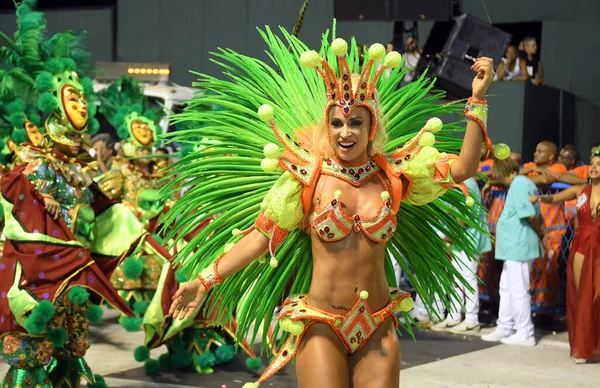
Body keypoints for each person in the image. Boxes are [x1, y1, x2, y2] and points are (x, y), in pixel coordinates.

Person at [166, 24, 502, 387]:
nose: (346, 132)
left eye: (356, 122)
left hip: (377, 323)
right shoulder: (307, 180)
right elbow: (261, 237)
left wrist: (478, 99)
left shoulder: (393, 177)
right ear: (327, 126)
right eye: (338, 122)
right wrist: (205, 280)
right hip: (322, 324)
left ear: (371, 125)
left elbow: (464, 168)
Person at [0, 2, 134, 386]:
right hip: (40, 274)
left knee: (71, 347)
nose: (80, 105)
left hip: (75, 271)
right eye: (71, 99)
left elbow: (94, 212)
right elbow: (25, 214)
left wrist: (107, 206)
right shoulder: (35, 162)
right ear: (54, 106)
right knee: (33, 349)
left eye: (81, 99)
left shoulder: (81, 162)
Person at [531, 152, 600, 363]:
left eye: (599, 164)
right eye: (593, 164)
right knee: (582, 295)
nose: (594, 167)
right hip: (581, 245)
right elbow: (554, 198)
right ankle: (583, 347)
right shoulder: (581, 190)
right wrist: (540, 197)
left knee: (597, 295)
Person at [482, 158, 544, 346]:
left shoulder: (517, 184)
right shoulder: (524, 182)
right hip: (513, 246)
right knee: (507, 288)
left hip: (519, 245)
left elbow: (530, 215)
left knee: (518, 289)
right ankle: (505, 326)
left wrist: (541, 233)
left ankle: (525, 332)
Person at [432, 177, 492, 333]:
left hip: (468, 241)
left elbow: (463, 220)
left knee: (468, 279)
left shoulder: (467, 184)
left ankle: (472, 319)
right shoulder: (461, 182)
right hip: (460, 240)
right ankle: (454, 316)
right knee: (457, 279)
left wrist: (446, 236)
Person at [521, 141, 568, 311]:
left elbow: (546, 178)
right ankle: (533, 305)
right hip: (533, 226)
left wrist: (526, 178)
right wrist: (527, 173)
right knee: (533, 267)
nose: (535, 154)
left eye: (540, 151)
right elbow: (512, 176)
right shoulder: (529, 166)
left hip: (553, 228)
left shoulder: (559, 167)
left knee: (549, 267)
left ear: (550, 156)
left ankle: (546, 309)